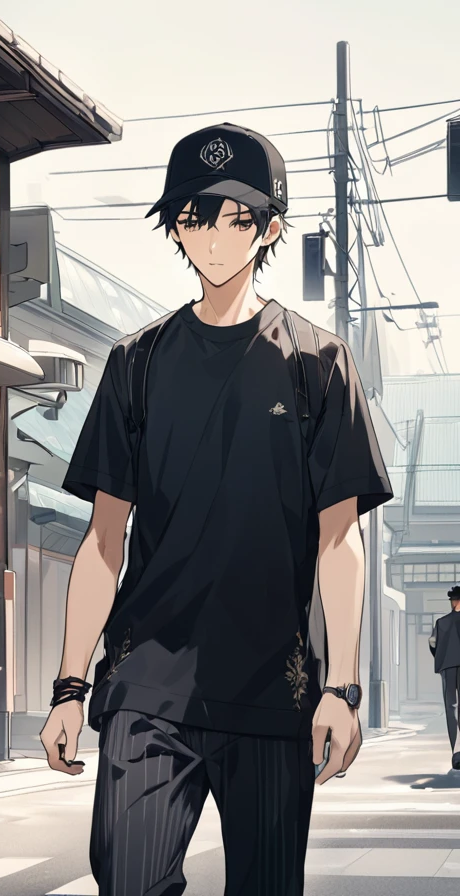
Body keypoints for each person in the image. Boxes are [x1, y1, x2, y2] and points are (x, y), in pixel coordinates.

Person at [40, 123, 393, 895]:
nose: (211, 234)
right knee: (127, 882)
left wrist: (342, 688)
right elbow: (105, 538)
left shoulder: (317, 362)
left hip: (275, 693)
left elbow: (341, 539)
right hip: (145, 687)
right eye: (194, 215)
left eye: (234, 216)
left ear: (268, 228)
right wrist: (70, 687)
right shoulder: (137, 362)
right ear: (176, 226)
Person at [429, 584, 460, 770]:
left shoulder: (442, 622)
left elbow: (433, 644)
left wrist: (443, 657)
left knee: (452, 707)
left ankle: (456, 754)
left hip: (448, 666)